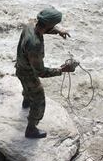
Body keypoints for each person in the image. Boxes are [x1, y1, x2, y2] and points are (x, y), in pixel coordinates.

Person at [15, 8, 77, 138]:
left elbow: (43, 28)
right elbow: (41, 72)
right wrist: (62, 70)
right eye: (54, 25)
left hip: (20, 66)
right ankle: (31, 129)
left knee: (27, 89)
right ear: (49, 25)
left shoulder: (30, 24)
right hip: (28, 73)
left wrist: (58, 31)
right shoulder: (35, 44)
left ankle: (26, 102)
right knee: (38, 99)